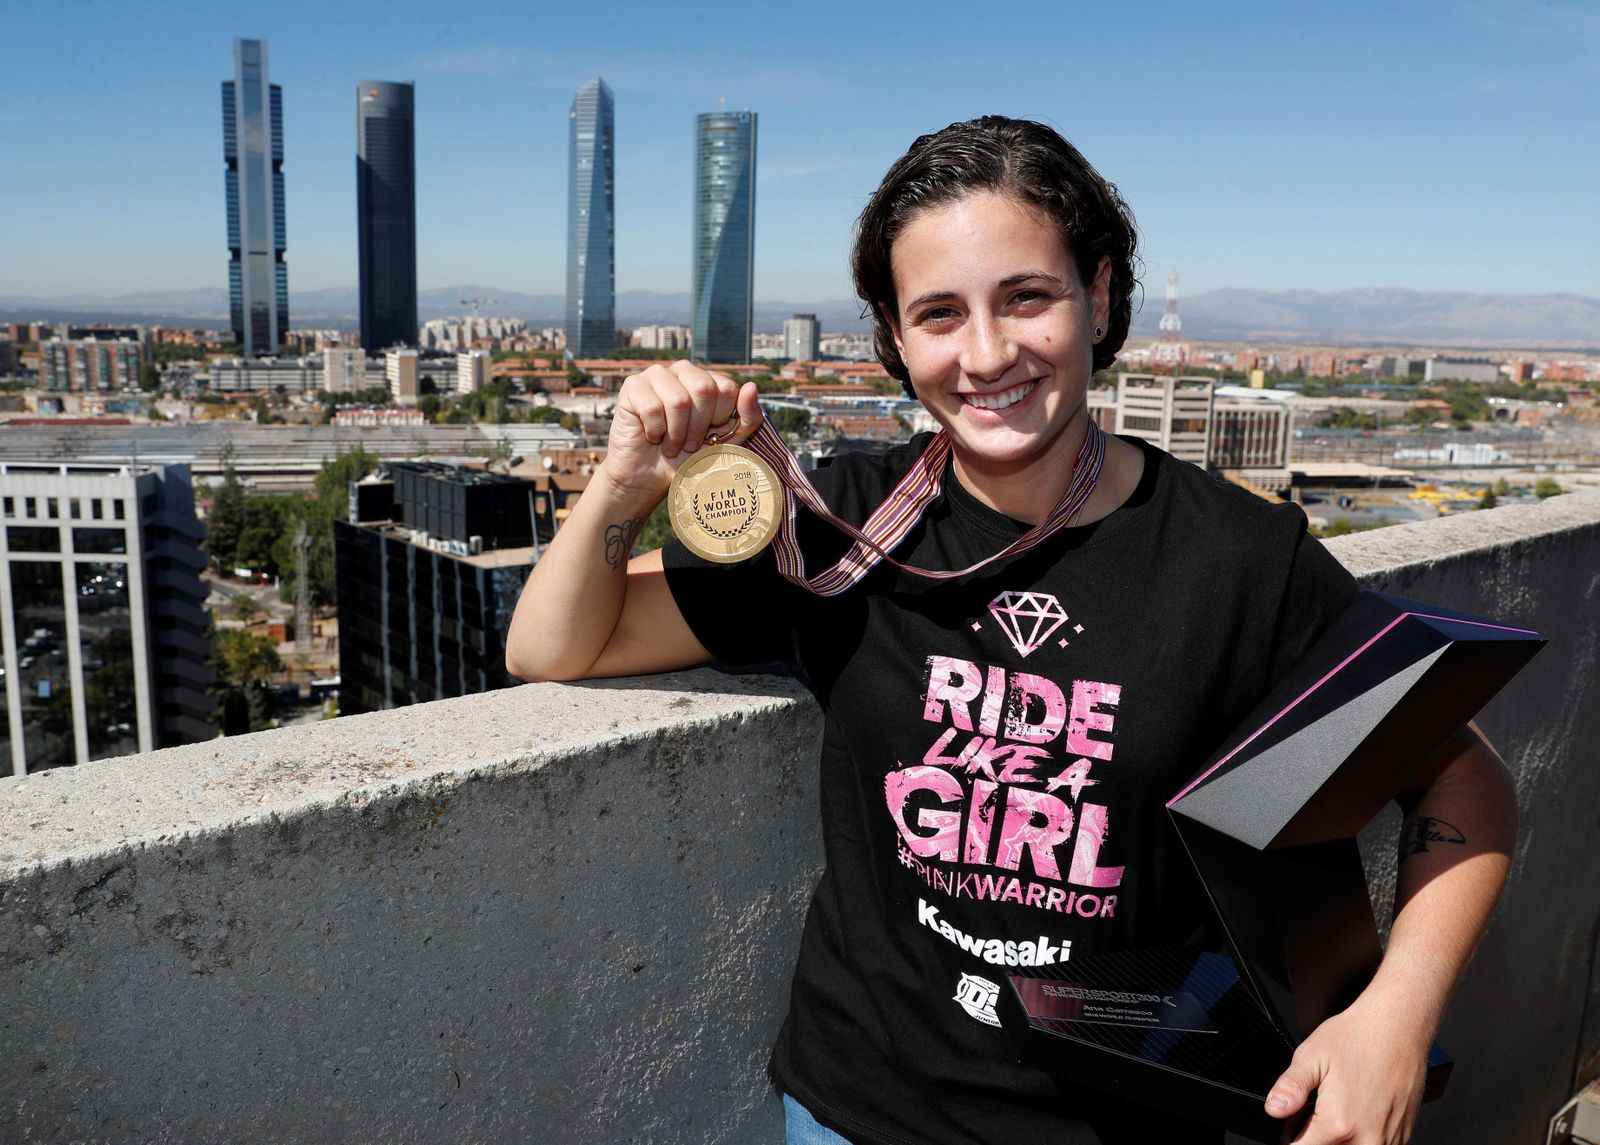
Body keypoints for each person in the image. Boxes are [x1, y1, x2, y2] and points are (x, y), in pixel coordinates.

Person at [506, 116, 1517, 1145]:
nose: (986, 353)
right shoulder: (836, 525)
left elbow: (1462, 774)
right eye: (938, 314)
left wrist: (1394, 1015)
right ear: (895, 339)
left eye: (1026, 296)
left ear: (1100, 294)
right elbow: (551, 646)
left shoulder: (1239, 558)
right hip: (862, 1109)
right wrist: (622, 487)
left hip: (1131, 1115)